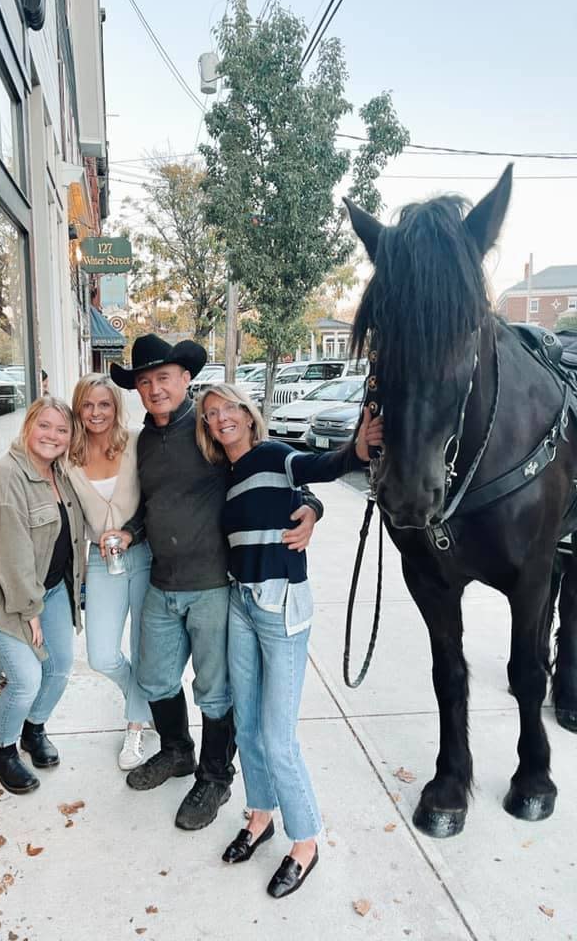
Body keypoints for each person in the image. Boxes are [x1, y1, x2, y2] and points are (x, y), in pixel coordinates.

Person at [107, 334, 323, 832]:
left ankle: (215, 776)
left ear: (185, 379)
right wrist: (129, 530)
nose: (155, 388)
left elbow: (274, 468)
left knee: (214, 690)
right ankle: (178, 752)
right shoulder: (144, 443)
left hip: (212, 586)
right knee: (156, 678)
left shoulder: (209, 432)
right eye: (144, 381)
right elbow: (152, 506)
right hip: (163, 582)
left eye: (163, 377)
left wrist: (310, 506)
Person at [196, 383, 382, 899]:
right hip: (240, 603)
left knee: (279, 737)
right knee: (249, 726)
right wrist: (310, 507)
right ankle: (260, 815)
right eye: (211, 414)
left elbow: (317, 469)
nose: (221, 418)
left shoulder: (273, 455)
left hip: (280, 607)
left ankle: (305, 841)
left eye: (229, 408)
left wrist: (358, 450)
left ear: (249, 415)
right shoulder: (225, 475)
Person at [0, 397, 85, 794]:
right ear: (28, 426)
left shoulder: (58, 474)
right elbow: (7, 555)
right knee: (26, 678)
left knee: (60, 667)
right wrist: (31, 614)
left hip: (48, 590)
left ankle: (33, 729)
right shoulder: (4, 476)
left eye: (61, 430)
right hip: (0, 595)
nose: (52, 436)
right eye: (44, 426)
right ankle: (4, 753)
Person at [68, 373, 151, 770]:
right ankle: (147, 694)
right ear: (78, 408)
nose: (96, 412)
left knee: (141, 645)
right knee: (102, 655)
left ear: (116, 408)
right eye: (88, 404)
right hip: (101, 563)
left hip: (146, 555)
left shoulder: (136, 443)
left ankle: (136, 725)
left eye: (104, 404)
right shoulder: (68, 457)